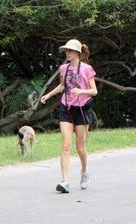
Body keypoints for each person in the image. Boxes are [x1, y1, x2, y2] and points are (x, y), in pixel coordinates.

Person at [40, 39, 98, 193]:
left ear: (77, 53)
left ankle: (84, 172)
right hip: (66, 108)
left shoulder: (87, 69)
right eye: (66, 51)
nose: (67, 53)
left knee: (80, 148)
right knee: (66, 146)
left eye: (70, 51)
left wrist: (81, 91)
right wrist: (48, 94)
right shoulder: (63, 68)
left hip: (82, 110)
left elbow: (94, 91)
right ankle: (64, 181)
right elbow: (63, 86)